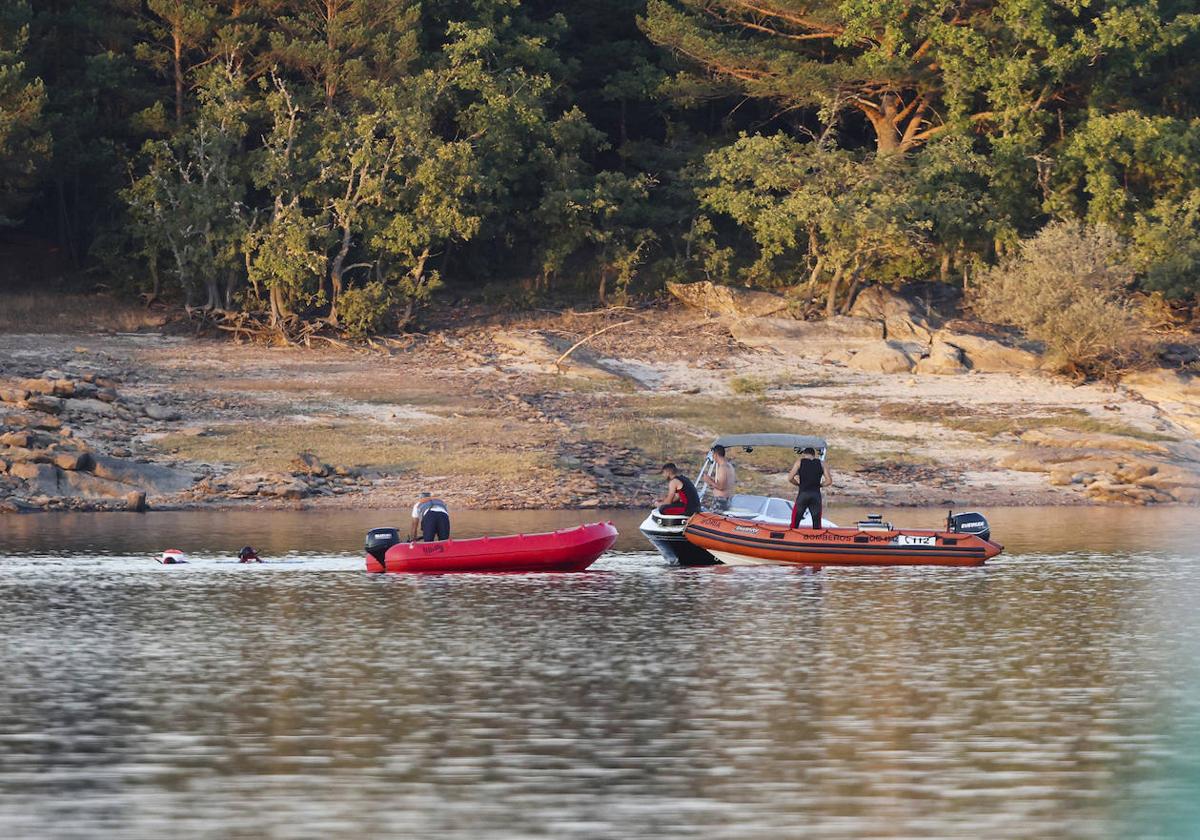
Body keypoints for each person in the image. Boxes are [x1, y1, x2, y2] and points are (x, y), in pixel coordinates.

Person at [787, 447, 833, 529]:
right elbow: (829, 481)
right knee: (817, 523)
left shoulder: (799, 462)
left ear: (805, 454)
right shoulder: (821, 463)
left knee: (795, 521)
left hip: (803, 494)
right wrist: (820, 485)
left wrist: (798, 484)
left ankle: (791, 536)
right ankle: (816, 539)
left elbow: (790, 478)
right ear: (814, 454)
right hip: (816, 495)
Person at [701, 444, 736, 512]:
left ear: (715, 454)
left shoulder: (722, 468)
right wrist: (711, 480)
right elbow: (725, 484)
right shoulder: (729, 466)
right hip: (727, 499)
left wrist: (709, 481)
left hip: (720, 501)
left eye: (713, 454)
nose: (713, 457)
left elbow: (721, 487)